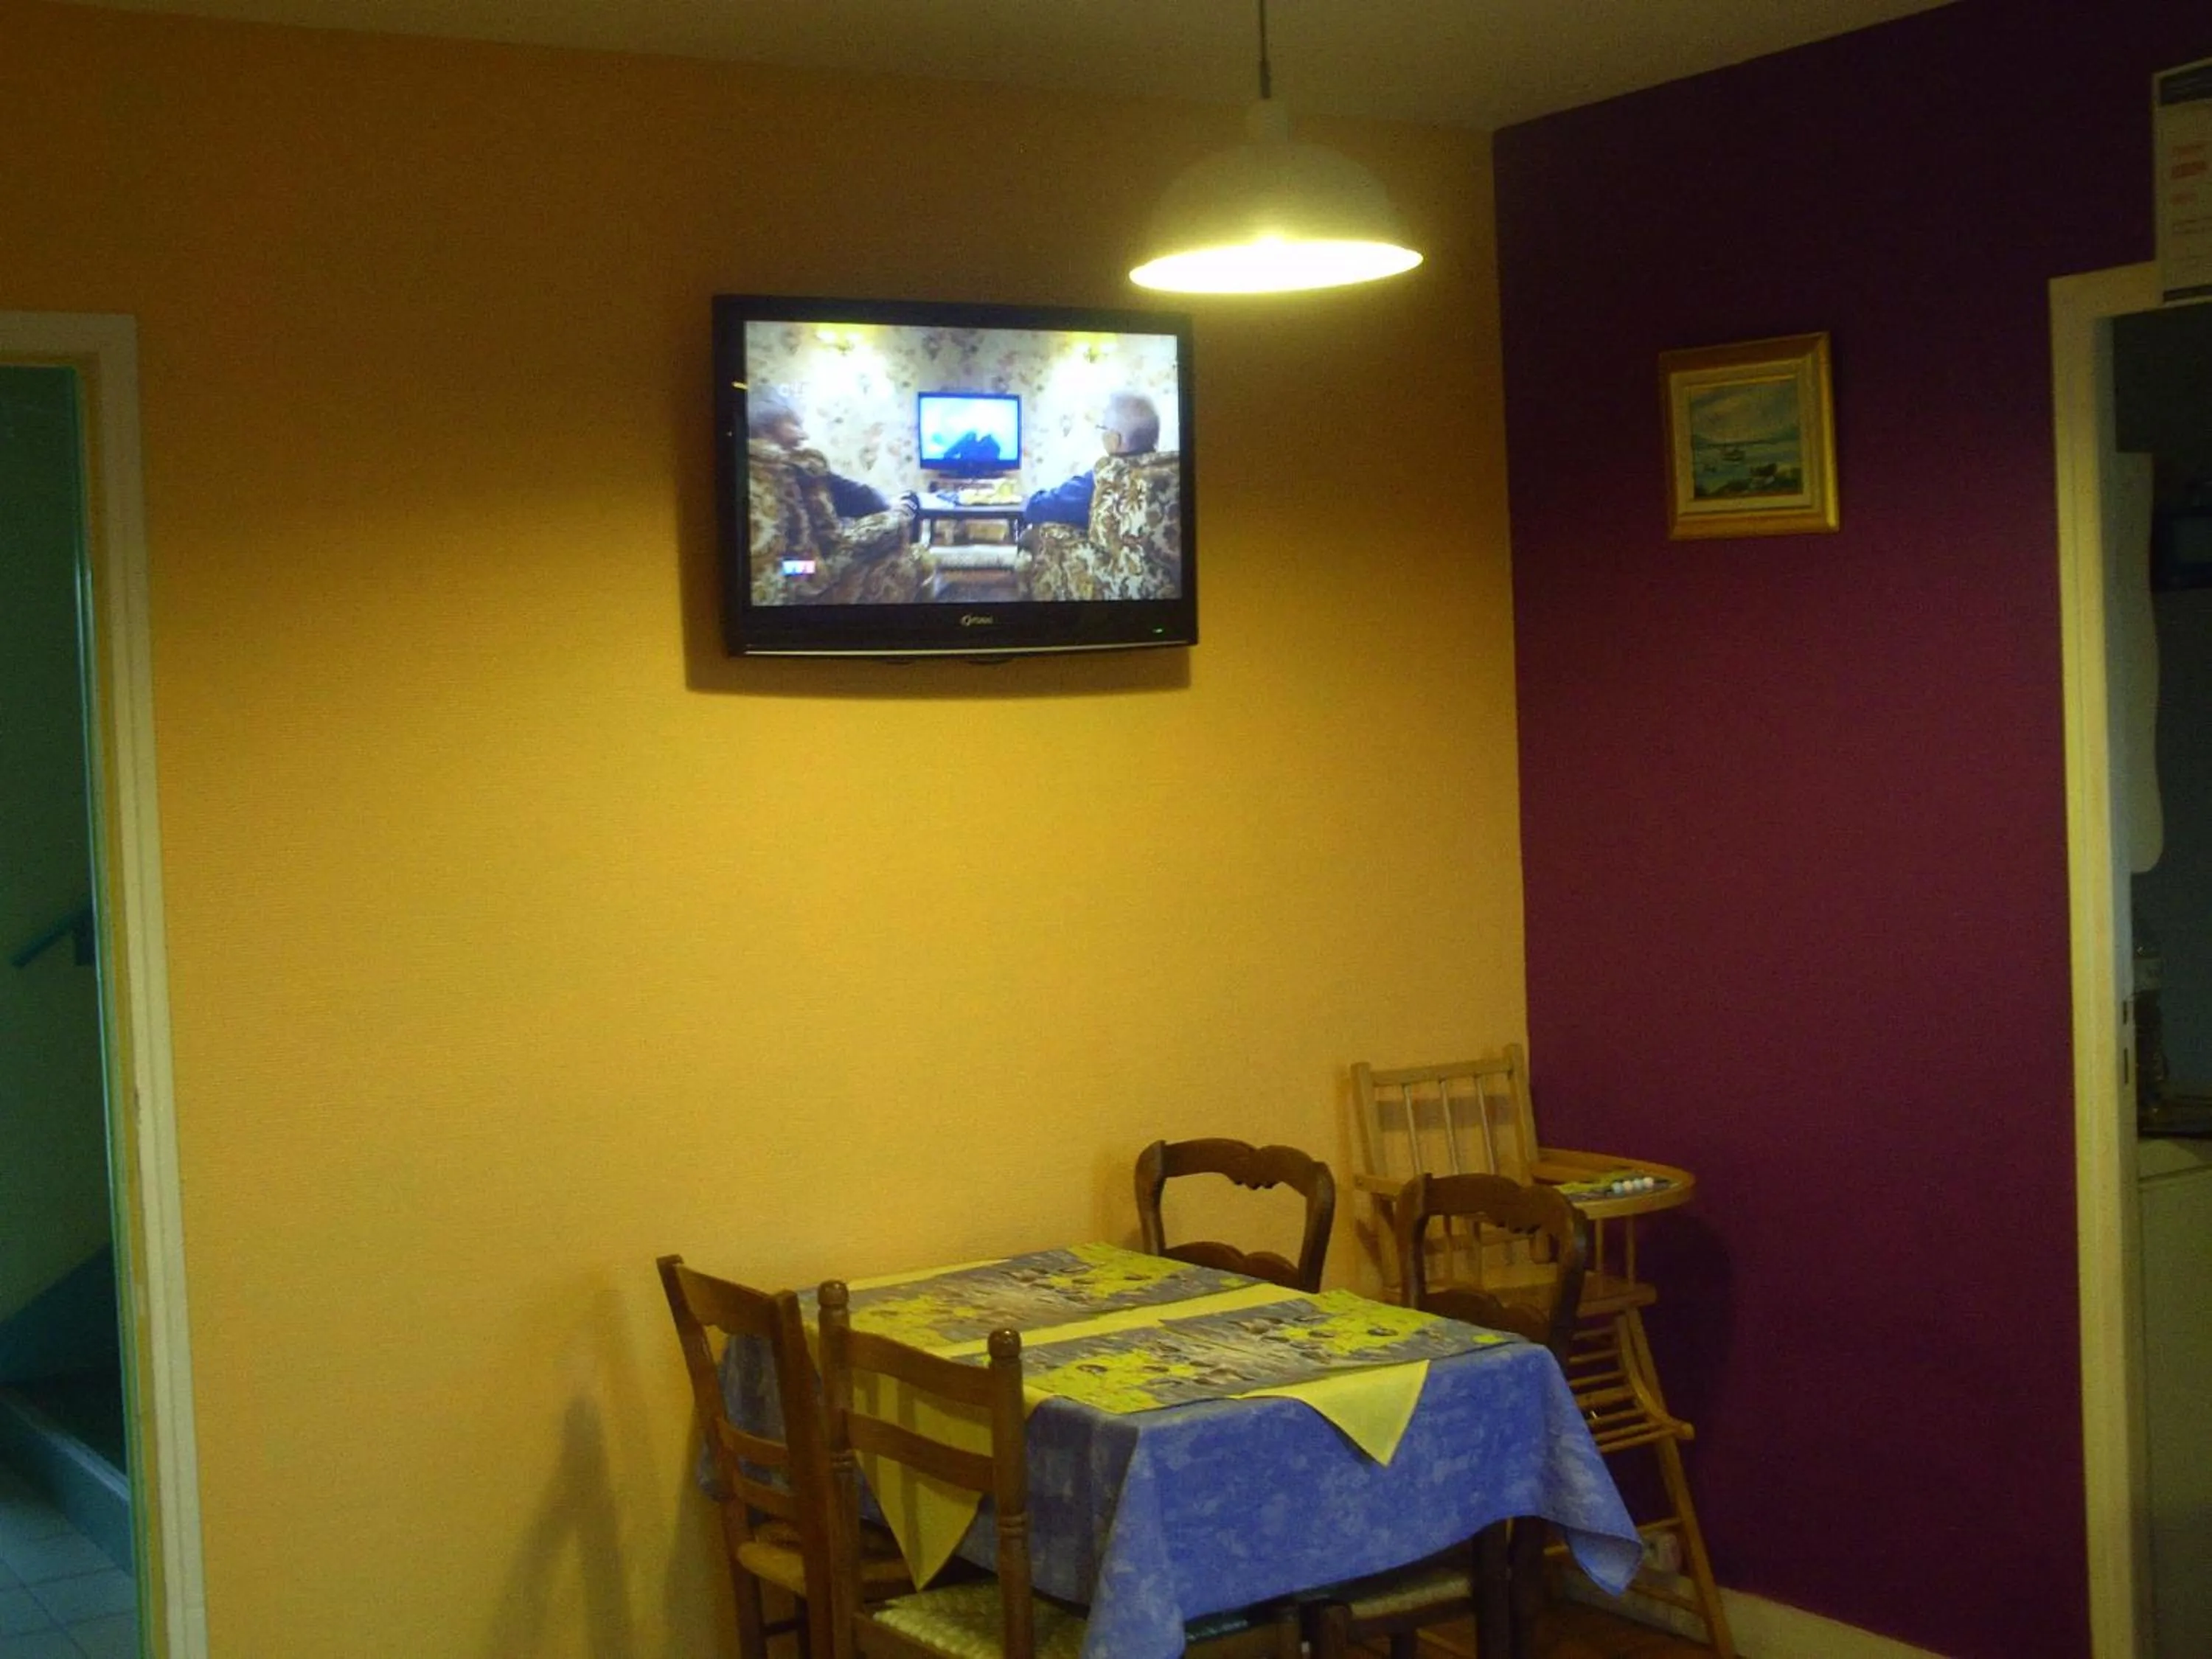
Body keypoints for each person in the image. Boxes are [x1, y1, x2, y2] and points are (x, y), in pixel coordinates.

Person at [746, 388, 922, 605]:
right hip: (799, 572)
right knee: (904, 512)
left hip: (760, 577)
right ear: (766, 428)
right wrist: (894, 508)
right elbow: (870, 502)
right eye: (794, 424)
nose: (804, 435)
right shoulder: (799, 467)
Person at [1023, 391, 1160, 527]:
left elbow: (1036, 509)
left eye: (1103, 428)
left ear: (1115, 440)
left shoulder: (1105, 479)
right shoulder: (1174, 472)